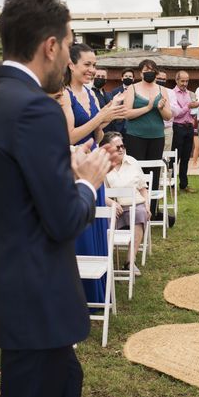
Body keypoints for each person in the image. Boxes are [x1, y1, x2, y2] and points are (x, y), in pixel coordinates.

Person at [0, 0, 113, 397]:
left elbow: (15, 185)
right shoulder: (35, 109)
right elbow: (64, 220)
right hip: (38, 296)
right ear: (50, 46)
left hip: (7, 286)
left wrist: (63, 165)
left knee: (66, 381)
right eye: (67, 46)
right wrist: (87, 182)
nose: (67, 59)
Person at [62, 43, 126, 309]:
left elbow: (95, 136)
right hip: (75, 168)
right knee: (81, 228)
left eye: (94, 64)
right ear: (71, 65)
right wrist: (101, 115)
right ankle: (79, 295)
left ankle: (97, 293)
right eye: (87, 64)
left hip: (94, 166)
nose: (92, 70)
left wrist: (104, 123)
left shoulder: (90, 94)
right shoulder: (63, 95)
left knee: (97, 222)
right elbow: (69, 136)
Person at [123, 59, 172, 218]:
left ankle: (151, 211)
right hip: (135, 136)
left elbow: (168, 116)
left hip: (156, 137)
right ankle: (136, 211)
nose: (148, 73)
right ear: (140, 73)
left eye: (152, 70)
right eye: (145, 70)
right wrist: (148, 107)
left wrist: (160, 108)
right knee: (137, 173)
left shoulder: (162, 90)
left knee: (154, 174)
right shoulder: (132, 88)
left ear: (156, 72)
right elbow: (127, 114)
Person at [101, 131, 150, 274]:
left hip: (135, 205)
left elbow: (143, 188)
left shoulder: (132, 162)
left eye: (123, 146)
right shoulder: (104, 166)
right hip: (114, 206)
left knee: (141, 213)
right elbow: (100, 193)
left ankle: (130, 261)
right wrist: (112, 204)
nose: (121, 149)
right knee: (103, 219)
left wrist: (147, 204)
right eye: (117, 147)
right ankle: (106, 258)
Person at [167, 70, 198, 193]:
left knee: (186, 158)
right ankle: (172, 185)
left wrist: (194, 111)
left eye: (187, 81)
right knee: (175, 158)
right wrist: (188, 107)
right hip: (177, 127)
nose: (185, 83)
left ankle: (184, 185)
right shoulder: (171, 94)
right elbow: (176, 114)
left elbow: (193, 112)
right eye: (182, 81)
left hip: (189, 127)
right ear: (177, 80)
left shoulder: (190, 94)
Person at [107, 68, 135, 135]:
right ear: (122, 78)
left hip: (133, 124)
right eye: (126, 76)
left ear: (133, 79)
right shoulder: (115, 91)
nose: (128, 78)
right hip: (119, 124)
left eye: (130, 77)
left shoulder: (137, 91)